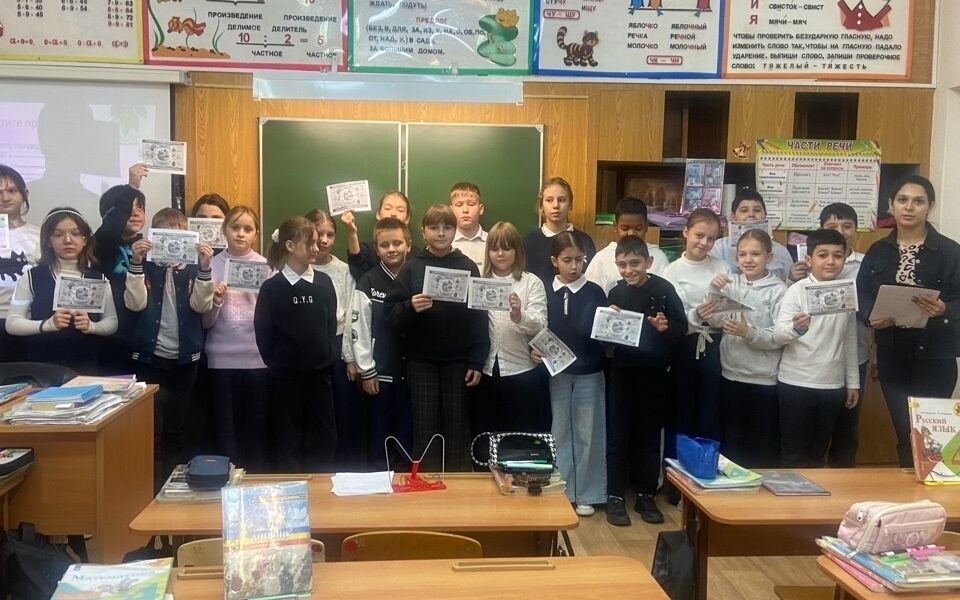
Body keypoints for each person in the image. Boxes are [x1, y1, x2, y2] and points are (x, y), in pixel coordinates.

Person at [857, 175, 960, 468]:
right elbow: (861, 295)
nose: (909, 207)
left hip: (936, 356)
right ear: (891, 205)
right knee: (905, 432)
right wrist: (870, 317)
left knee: (932, 437)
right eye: (902, 200)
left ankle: (934, 492)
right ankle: (909, 489)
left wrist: (944, 309)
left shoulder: (951, 252)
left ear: (930, 207)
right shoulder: (878, 250)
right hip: (894, 354)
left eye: (918, 201)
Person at [384, 204, 490, 471]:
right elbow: (390, 314)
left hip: (459, 362)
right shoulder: (411, 267)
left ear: (455, 230)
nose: (441, 233)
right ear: (423, 231)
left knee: (458, 425)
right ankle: (427, 482)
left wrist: (477, 360)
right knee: (425, 425)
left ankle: (459, 485)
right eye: (434, 227)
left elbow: (479, 316)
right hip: (421, 361)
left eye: (447, 227)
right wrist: (410, 306)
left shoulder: (467, 266)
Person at [125, 208, 214, 488]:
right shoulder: (146, 266)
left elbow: (201, 306)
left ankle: (172, 482)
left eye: (179, 235)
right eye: (164, 234)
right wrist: (136, 262)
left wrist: (205, 268)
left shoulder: (192, 268)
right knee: (149, 427)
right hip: (149, 358)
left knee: (178, 426)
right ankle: (147, 485)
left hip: (185, 359)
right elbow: (135, 304)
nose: (173, 241)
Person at [605, 235, 686, 527]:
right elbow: (604, 339)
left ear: (648, 262)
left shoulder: (664, 289)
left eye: (635, 263)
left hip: (654, 374)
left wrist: (665, 327)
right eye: (622, 264)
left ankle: (646, 495)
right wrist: (607, 321)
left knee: (649, 437)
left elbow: (680, 329)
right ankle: (615, 495)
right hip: (622, 373)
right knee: (618, 437)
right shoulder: (615, 292)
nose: (628, 270)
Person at [255, 217, 338, 472]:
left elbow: (330, 326)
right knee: (289, 438)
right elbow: (264, 334)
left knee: (324, 437)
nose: (316, 247)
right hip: (286, 378)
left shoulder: (324, 283)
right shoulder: (272, 288)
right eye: (309, 243)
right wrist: (280, 364)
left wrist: (326, 358)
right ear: (290, 246)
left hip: (320, 377)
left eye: (317, 242)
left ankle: (322, 486)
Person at [533, 231, 607, 518]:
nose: (574, 266)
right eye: (567, 260)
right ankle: (561, 489)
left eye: (579, 259)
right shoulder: (544, 290)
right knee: (559, 431)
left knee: (589, 432)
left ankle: (588, 493)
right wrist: (534, 350)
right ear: (555, 261)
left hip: (590, 372)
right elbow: (535, 328)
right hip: (557, 372)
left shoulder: (595, 292)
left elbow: (603, 334)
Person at [774, 229, 859, 468]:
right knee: (793, 453)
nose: (831, 261)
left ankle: (814, 493)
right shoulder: (796, 290)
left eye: (837, 255)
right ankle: (790, 494)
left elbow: (850, 339)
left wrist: (853, 382)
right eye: (823, 255)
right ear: (809, 260)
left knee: (817, 454)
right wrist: (796, 328)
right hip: (796, 383)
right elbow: (778, 335)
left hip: (832, 385)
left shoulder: (845, 292)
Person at [708, 229, 788, 468]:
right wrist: (713, 290)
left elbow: (779, 337)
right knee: (732, 442)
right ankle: (733, 487)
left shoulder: (779, 291)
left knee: (762, 445)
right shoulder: (730, 284)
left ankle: (761, 490)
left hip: (763, 380)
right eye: (742, 254)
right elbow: (714, 321)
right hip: (730, 375)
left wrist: (748, 333)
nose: (748, 259)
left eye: (755, 254)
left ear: (769, 257)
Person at [6, 207, 117, 374]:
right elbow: (12, 323)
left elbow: (111, 321)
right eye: (58, 235)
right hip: (42, 365)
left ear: (85, 240)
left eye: (76, 233)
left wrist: (92, 327)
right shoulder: (31, 277)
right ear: (48, 241)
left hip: (86, 364)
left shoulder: (98, 278)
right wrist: (47, 324)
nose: (68, 240)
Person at [202, 206, 272, 471]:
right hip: (220, 360)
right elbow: (206, 323)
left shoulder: (267, 267)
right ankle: (226, 484)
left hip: (257, 360)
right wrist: (216, 301)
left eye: (248, 229)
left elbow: (272, 321)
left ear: (256, 234)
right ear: (224, 230)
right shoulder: (211, 265)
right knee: (225, 434)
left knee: (255, 432)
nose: (241, 234)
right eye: (235, 227)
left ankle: (255, 482)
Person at [346, 217, 413, 469]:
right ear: (376, 249)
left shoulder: (417, 275)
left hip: (412, 374)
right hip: (379, 375)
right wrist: (366, 370)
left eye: (397, 243)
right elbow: (358, 328)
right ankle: (379, 482)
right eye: (385, 245)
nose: (392, 249)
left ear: (408, 244)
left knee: (407, 439)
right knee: (379, 437)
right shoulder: (368, 281)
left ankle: (406, 483)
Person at [663, 208, 730, 446]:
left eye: (711, 238)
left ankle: (706, 463)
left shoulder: (722, 267)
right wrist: (696, 315)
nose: (704, 243)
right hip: (684, 345)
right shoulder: (671, 271)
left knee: (710, 409)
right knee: (680, 409)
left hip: (714, 345)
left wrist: (713, 299)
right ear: (685, 232)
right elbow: (674, 318)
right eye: (699, 235)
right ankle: (675, 466)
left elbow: (727, 312)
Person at [477, 221, 549, 433]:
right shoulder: (480, 282)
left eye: (507, 248)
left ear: (517, 250)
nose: (500, 254)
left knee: (520, 437)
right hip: (486, 371)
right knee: (489, 436)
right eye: (494, 248)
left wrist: (519, 315)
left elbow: (541, 324)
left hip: (522, 371)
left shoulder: (531, 282)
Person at [305, 208, 361, 469]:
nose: (324, 240)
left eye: (330, 234)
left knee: (342, 411)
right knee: (313, 413)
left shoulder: (343, 270)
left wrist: (349, 357)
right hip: (306, 349)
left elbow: (350, 314)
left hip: (338, 347)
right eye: (319, 234)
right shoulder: (296, 268)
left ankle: (344, 468)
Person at [819, 203, 868, 468]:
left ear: (856, 230)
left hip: (854, 357)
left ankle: (844, 485)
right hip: (815, 361)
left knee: (846, 431)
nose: (840, 231)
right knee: (814, 434)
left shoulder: (867, 265)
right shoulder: (808, 263)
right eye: (832, 226)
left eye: (847, 226)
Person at [93, 180, 147, 374]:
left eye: (140, 208)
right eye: (128, 208)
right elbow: (109, 230)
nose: (135, 213)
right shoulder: (101, 245)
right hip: (112, 338)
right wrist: (132, 187)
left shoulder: (149, 248)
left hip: (144, 338)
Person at [708, 187, 803, 282]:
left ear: (765, 215)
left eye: (757, 210)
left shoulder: (781, 252)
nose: (751, 214)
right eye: (744, 210)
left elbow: (787, 288)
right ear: (733, 216)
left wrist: (791, 279)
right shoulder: (718, 249)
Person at [585, 197, 669, 294]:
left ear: (646, 227)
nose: (631, 233)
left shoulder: (659, 258)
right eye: (625, 229)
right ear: (616, 227)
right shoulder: (601, 259)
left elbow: (666, 294)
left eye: (638, 228)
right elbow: (590, 295)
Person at [0, 164, 41, 361]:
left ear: (25, 193)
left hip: (29, 321)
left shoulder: (40, 235)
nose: (5, 197)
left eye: (12, 191)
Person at [522, 177, 597, 285]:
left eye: (561, 200)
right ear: (541, 206)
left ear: (570, 204)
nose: (556, 205)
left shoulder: (584, 241)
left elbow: (591, 280)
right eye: (549, 200)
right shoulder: (529, 242)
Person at [342, 190, 417, 281]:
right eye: (388, 208)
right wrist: (351, 232)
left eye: (400, 210)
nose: (393, 214)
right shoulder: (367, 249)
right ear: (378, 214)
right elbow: (357, 271)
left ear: (407, 218)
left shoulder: (416, 255)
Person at [450, 182, 487, 268]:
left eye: (471, 204)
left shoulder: (493, 243)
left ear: (481, 209)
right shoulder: (443, 244)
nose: (465, 210)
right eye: (459, 205)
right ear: (451, 210)